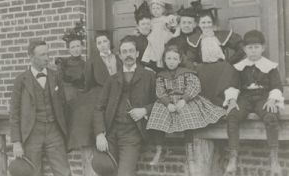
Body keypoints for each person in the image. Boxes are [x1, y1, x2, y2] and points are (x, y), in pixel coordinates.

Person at [146, 45, 225, 168]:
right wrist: (168, 104)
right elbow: (160, 92)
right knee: (157, 114)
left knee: (187, 114)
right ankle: (159, 150)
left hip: (185, 99)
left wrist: (184, 100)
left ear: (179, 60)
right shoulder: (161, 75)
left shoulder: (187, 73)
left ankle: (190, 151)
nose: (171, 62)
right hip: (168, 101)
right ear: (164, 60)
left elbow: (194, 86)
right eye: (168, 58)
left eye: (174, 59)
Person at [92, 35, 156, 176]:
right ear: (119, 56)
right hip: (111, 133)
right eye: (124, 52)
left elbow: (159, 103)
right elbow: (99, 107)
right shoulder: (112, 79)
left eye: (131, 51)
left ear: (137, 54)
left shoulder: (149, 76)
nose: (128, 55)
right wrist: (99, 134)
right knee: (104, 169)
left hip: (132, 134)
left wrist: (144, 110)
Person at [223, 30, 284, 175]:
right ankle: (233, 158)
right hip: (244, 98)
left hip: (263, 97)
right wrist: (232, 100)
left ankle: (274, 159)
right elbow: (233, 85)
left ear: (263, 48)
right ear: (244, 49)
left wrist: (271, 99)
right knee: (232, 116)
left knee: (270, 115)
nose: (253, 51)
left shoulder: (270, 66)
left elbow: (277, 86)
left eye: (256, 47)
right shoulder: (239, 67)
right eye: (250, 48)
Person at [10, 40, 71, 176]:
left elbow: (63, 105)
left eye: (47, 54)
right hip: (32, 133)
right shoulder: (21, 80)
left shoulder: (55, 76)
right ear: (31, 57)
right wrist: (16, 141)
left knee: (64, 171)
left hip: (54, 131)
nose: (47, 58)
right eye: (42, 55)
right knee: (33, 172)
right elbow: (14, 113)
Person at [55, 19, 95, 176]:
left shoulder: (86, 64)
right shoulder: (62, 65)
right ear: (68, 48)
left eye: (78, 46)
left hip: (82, 102)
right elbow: (59, 84)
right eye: (73, 47)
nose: (76, 49)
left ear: (82, 47)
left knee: (85, 141)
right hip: (68, 101)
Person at [187, 5, 244, 106]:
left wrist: (229, 62)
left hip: (221, 68)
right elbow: (189, 58)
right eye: (203, 23)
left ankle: (225, 107)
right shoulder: (195, 39)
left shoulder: (220, 36)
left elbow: (241, 47)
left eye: (209, 22)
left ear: (212, 23)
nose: (206, 25)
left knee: (225, 86)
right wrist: (196, 67)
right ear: (199, 24)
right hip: (204, 69)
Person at [141, 0, 178, 71]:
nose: (155, 11)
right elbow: (147, 28)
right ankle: (153, 64)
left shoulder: (165, 18)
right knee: (152, 51)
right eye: (153, 8)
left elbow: (172, 24)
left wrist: (170, 22)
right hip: (153, 39)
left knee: (161, 52)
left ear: (163, 10)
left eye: (158, 8)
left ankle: (161, 65)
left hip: (162, 38)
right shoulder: (151, 20)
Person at [166, 0, 201, 70]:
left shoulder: (200, 39)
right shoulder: (173, 40)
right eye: (184, 23)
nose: (186, 25)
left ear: (194, 25)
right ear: (180, 24)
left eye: (189, 23)